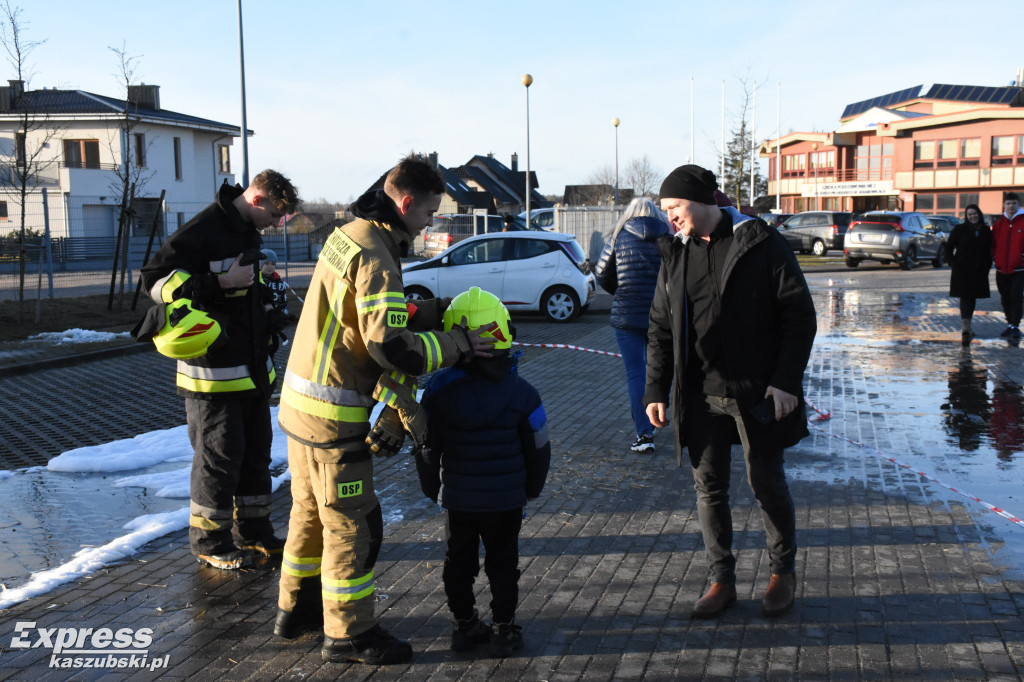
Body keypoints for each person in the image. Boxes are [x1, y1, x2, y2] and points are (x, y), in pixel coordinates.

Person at [273, 155, 496, 666]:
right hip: (333, 419)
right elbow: (393, 348)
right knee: (355, 526)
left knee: (309, 514)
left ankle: (296, 608)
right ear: (405, 202)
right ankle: (349, 634)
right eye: (429, 213)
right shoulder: (376, 254)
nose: (430, 223)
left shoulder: (348, 232)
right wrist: (458, 343)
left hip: (301, 409)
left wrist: (424, 312)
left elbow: (357, 316)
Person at [644, 164, 816, 620]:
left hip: (758, 393)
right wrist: (655, 390)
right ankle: (722, 580)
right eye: (665, 211)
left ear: (704, 201)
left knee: (767, 484)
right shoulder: (675, 254)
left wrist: (785, 381)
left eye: (675, 208)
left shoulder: (759, 242)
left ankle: (783, 574)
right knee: (709, 489)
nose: (670, 219)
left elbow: (799, 316)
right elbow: (660, 327)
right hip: (699, 395)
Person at [139, 170, 299, 571]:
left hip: (252, 370)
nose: (276, 224)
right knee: (218, 459)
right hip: (213, 374)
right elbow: (154, 281)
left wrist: (266, 304)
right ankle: (210, 541)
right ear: (258, 199)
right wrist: (218, 282)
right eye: (275, 214)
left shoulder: (247, 231)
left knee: (255, 456)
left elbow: (245, 292)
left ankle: (255, 532)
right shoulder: (205, 228)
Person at [415, 287, 551, 658]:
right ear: (504, 331)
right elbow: (539, 448)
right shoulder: (524, 393)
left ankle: (463, 626)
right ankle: (503, 630)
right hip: (506, 500)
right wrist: (532, 488)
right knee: (503, 563)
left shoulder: (436, 392)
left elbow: (426, 447)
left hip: (458, 499)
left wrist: (433, 489)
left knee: (457, 562)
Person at [594, 198, 670, 452]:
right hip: (661, 316)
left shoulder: (619, 236)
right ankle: (666, 417)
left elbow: (602, 272)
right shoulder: (667, 236)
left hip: (627, 316)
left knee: (636, 374)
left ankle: (644, 434)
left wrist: (621, 291)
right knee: (663, 371)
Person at [945, 205, 991, 346]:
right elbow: (949, 247)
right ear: (966, 216)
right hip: (962, 269)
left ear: (979, 214)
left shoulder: (986, 230)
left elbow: (989, 249)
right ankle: (965, 327)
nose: (972, 216)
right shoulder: (960, 229)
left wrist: (987, 265)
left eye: (975, 213)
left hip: (978, 270)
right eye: (969, 214)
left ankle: (967, 326)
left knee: (972, 298)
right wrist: (953, 263)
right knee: (965, 297)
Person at [991, 192, 1024, 341]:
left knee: (1016, 297)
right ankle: (1010, 324)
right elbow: (993, 245)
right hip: (1001, 268)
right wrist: (995, 258)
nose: (1011, 206)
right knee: (1005, 297)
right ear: (1004, 205)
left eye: (1014, 203)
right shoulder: (998, 225)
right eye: (1008, 203)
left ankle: (1016, 326)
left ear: (1018, 205)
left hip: (1019, 268)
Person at [259, 248, 293, 319]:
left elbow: (283, 302)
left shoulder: (279, 283)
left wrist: (283, 314)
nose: (270, 266)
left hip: (276, 315)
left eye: (273, 264)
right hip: (260, 315)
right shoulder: (255, 280)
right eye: (267, 263)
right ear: (260, 264)